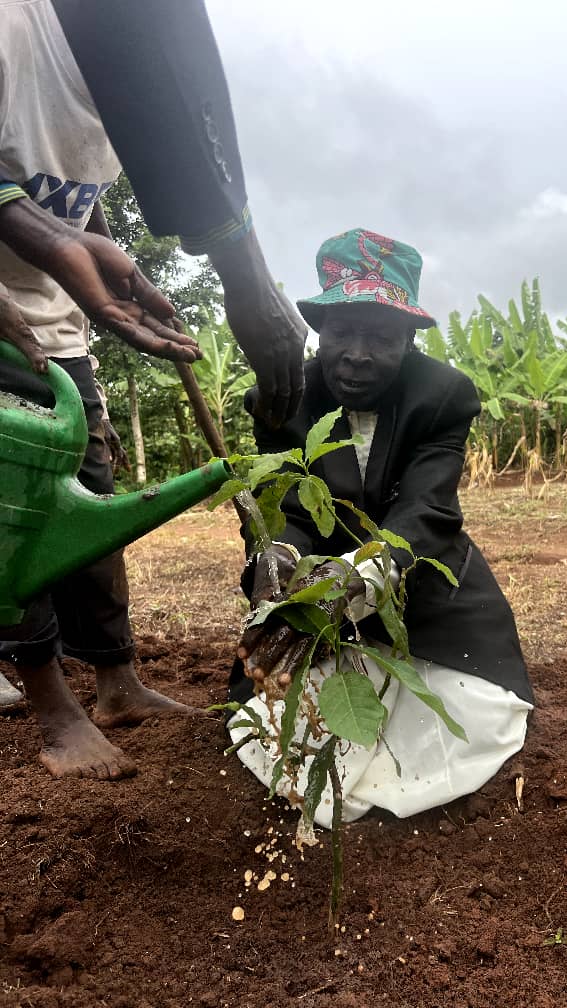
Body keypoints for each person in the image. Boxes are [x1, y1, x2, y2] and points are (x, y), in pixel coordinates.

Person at [226, 229, 534, 827]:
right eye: (341, 332)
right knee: (277, 716)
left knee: (477, 714)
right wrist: (279, 557)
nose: (358, 354)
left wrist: (361, 578)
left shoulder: (443, 395)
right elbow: (284, 502)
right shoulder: (282, 394)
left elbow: (427, 510)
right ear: (319, 331)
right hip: (313, 585)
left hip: (416, 573)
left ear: (411, 338)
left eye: (382, 337)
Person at [0, 0, 208, 777]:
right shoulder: (15, 29)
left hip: (57, 324)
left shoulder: (130, 83)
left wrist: (107, 259)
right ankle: (54, 707)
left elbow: (71, 206)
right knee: (17, 508)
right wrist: (54, 242)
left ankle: (118, 679)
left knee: (92, 491)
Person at [50, 0, 306, 430]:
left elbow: (65, 180)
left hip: (57, 335)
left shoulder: (110, 90)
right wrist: (247, 276)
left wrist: (101, 249)